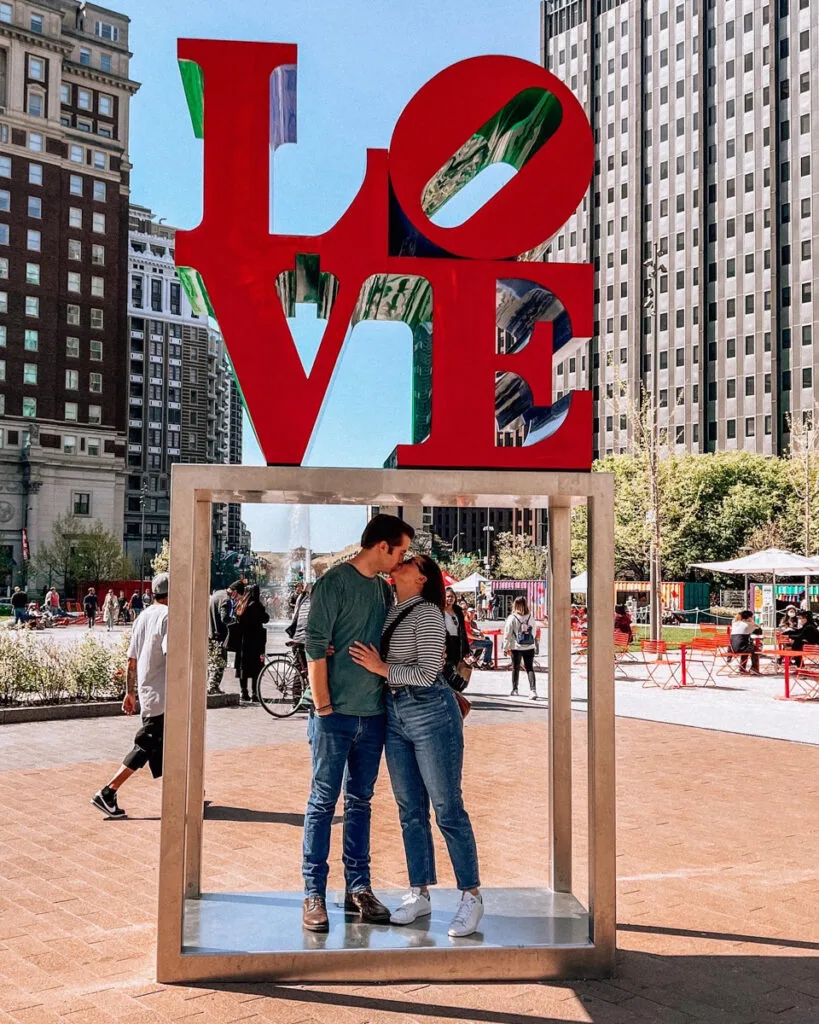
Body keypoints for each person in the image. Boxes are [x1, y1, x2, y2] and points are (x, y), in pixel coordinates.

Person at [350, 554, 484, 938]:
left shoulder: (427, 613)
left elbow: (427, 674)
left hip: (429, 712)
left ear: (421, 578)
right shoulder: (393, 608)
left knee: (447, 808)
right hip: (395, 713)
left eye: (408, 562)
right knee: (410, 809)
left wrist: (381, 669)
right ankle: (419, 891)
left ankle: (471, 896)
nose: (399, 563)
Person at [301, 513, 414, 933]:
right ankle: (313, 892)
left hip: (374, 716)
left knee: (361, 803)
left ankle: (358, 887)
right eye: (400, 550)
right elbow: (315, 645)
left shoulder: (384, 592)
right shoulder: (334, 583)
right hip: (335, 717)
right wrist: (324, 706)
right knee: (322, 803)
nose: (402, 558)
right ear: (382, 546)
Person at [91, 573, 170, 819]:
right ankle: (108, 791)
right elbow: (173, 656)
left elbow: (131, 659)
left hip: (148, 693)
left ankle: (189, 792)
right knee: (146, 745)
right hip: (165, 695)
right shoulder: (168, 617)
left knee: (165, 746)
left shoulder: (143, 616)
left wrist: (130, 693)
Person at [234, 584, 270, 703]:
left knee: (242, 667)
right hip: (256, 641)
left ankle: (243, 692)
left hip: (242, 641)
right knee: (256, 668)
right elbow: (265, 618)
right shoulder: (256, 605)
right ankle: (255, 693)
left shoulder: (241, 604)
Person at [207, 581, 244, 694]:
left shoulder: (217, 594)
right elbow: (224, 618)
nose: (237, 599)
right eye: (238, 596)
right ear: (235, 592)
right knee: (220, 661)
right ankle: (213, 686)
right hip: (219, 635)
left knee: (212, 661)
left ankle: (211, 685)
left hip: (210, 633)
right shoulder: (226, 600)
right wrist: (235, 621)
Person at [503, 597, 538, 699]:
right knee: (529, 668)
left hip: (516, 646)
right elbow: (534, 631)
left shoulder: (512, 617)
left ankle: (515, 689)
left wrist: (506, 647)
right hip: (530, 646)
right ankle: (533, 690)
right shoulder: (530, 617)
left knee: (515, 667)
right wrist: (531, 640)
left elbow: (507, 633)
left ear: (515, 605)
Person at [443, 587, 469, 672]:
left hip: (457, 641)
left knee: (456, 666)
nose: (450, 598)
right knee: (446, 666)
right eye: (448, 596)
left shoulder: (458, 611)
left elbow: (462, 629)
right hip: (445, 642)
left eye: (452, 597)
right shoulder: (440, 610)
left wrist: (466, 648)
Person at [729, 610, 762, 674]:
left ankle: (742, 668)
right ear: (749, 618)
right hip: (741, 648)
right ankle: (754, 668)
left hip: (732, 648)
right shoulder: (747, 624)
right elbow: (759, 631)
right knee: (755, 649)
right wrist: (754, 623)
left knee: (747, 648)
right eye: (752, 617)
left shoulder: (735, 623)